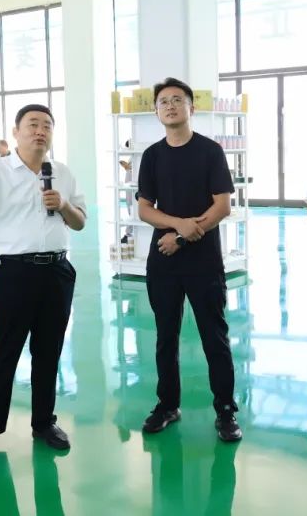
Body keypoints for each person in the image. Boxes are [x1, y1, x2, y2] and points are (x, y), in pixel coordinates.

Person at [0, 103, 86, 460]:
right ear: (16, 132)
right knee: (4, 351)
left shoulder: (62, 172)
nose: (40, 131)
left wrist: (64, 205)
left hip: (57, 271)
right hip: (13, 272)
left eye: (47, 126)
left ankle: (44, 422)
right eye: (32, 124)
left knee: (49, 351)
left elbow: (80, 221)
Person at [136, 77, 242, 443]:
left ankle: (225, 410)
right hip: (163, 260)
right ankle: (167, 405)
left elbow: (222, 205)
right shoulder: (152, 156)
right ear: (156, 111)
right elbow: (145, 209)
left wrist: (181, 235)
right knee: (166, 336)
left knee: (215, 336)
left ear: (190, 108)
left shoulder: (210, 151)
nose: (170, 106)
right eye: (163, 101)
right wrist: (177, 223)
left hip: (202, 260)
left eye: (177, 100)